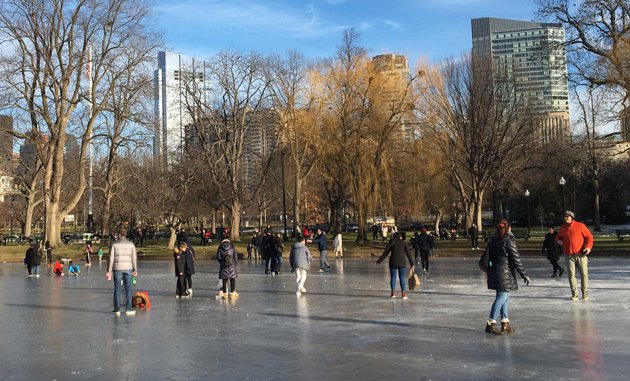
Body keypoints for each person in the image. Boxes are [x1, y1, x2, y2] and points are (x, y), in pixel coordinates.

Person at [482, 219, 530, 335]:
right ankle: (491, 323)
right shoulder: (509, 241)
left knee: (505, 296)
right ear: (509, 228)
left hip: (494, 271)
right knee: (502, 296)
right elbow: (516, 259)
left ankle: (505, 322)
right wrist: (524, 274)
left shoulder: (493, 240)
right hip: (504, 273)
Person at [555, 210, 594, 301]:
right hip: (569, 255)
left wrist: (588, 247)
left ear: (572, 217)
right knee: (571, 275)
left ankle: (584, 293)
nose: (566, 218)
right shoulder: (563, 227)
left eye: (567, 216)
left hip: (581, 254)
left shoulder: (580, 226)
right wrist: (558, 240)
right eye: (565, 216)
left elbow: (589, 237)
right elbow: (557, 237)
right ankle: (574, 294)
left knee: (584, 274)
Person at [106, 229, 138, 316]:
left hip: (117, 268)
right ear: (126, 235)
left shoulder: (114, 244)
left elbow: (111, 258)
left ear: (120, 235)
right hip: (128, 268)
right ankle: (128, 309)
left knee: (117, 289)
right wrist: (135, 270)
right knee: (128, 289)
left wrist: (109, 270)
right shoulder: (131, 244)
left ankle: (117, 309)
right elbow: (134, 258)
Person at [375, 232, 414, 299]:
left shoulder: (391, 243)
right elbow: (409, 254)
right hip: (402, 262)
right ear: (400, 237)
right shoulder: (404, 243)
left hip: (393, 262)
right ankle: (403, 293)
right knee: (402, 277)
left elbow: (385, 253)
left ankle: (393, 293)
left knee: (393, 277)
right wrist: (412, 263)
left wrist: (378, 261)